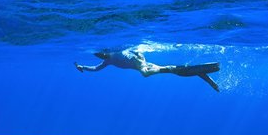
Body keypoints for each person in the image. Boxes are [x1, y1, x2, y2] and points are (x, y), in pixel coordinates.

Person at [75, 48, 220, 92]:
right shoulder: (107, 61)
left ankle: (199, 73)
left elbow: (138, 51)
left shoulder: (119, 50)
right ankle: (203, 75)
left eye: (101, 53)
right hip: (143, 66)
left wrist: (141, 58)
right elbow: (96, 68)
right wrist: (83, 67)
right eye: (99, 55)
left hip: (143, 64)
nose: (101, 55)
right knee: (173, 71)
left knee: (145, 73)